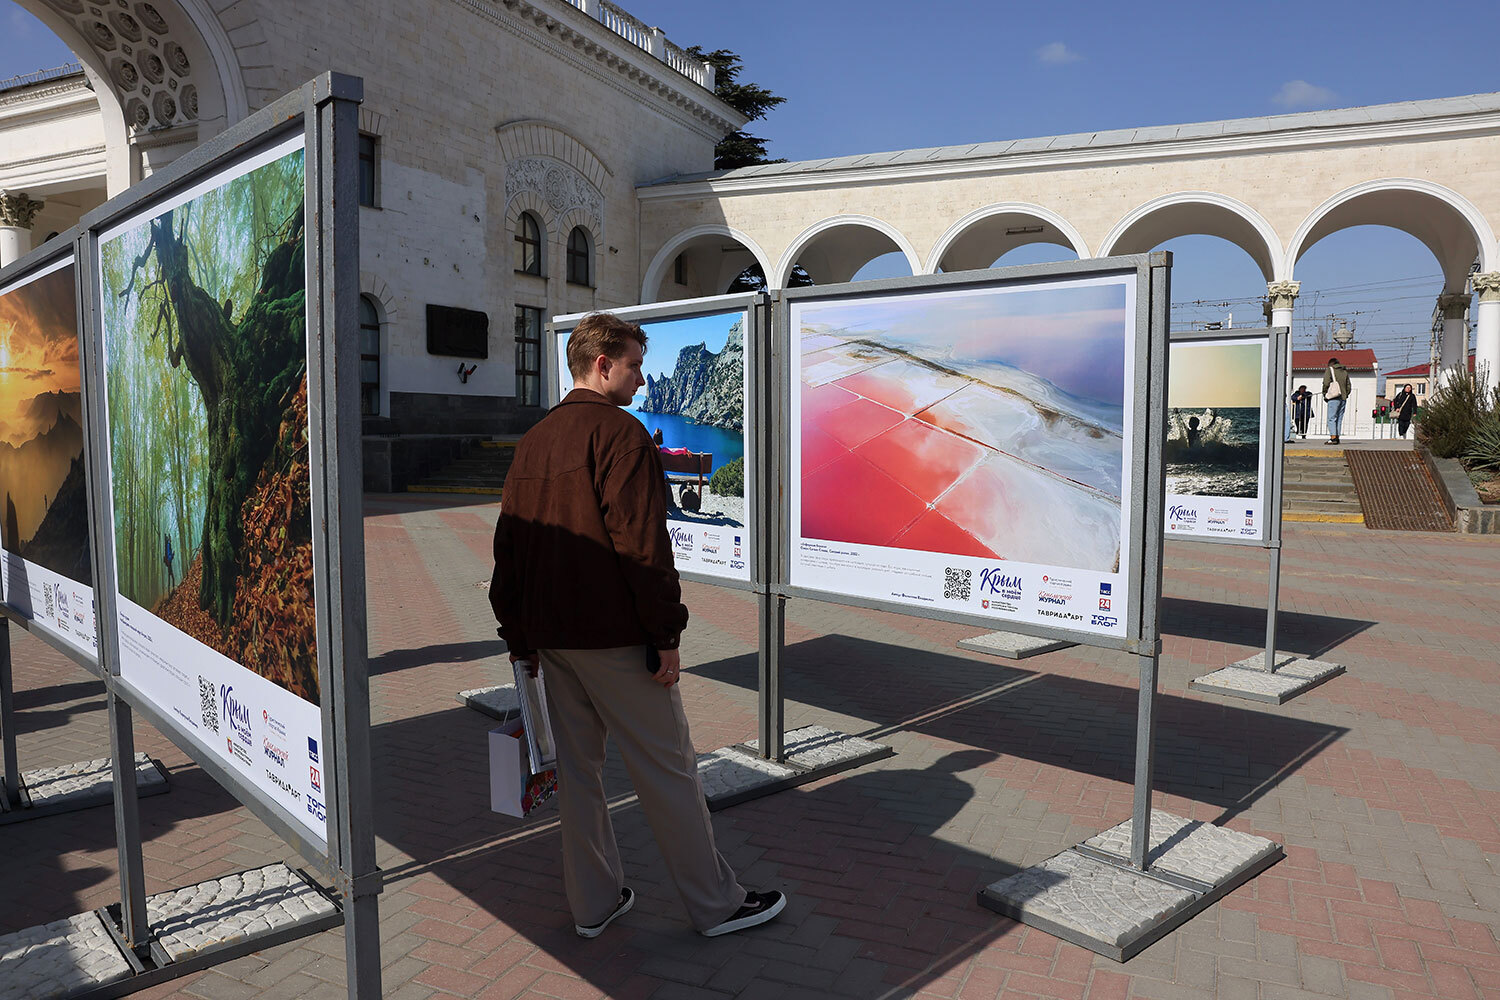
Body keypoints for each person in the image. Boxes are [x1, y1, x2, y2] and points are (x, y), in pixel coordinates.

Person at [490, 312, 785, 940]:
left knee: (578, 775)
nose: (642, 377)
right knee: (669, 770)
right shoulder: (623, 437)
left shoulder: (534, 441)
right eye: (632, 364)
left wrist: (521, 643)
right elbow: (643, 548)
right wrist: (666, 636)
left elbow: (507, 552)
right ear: (602, 365)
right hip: (615, 638)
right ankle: (715, 904)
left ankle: (594, 905)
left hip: (551, 641)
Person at [1321, 357, 1351, 445]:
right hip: (1343, 398)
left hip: (1333, 398)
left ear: (1331, 364)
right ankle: (1337, 437)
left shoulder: (1330, 370)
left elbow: (1326, 383)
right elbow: (1348, 386)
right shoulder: (1344, 371)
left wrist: (1325, 394)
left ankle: (1333, 437)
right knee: (1339, 418)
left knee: (1331, 418)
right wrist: (1346, 394)